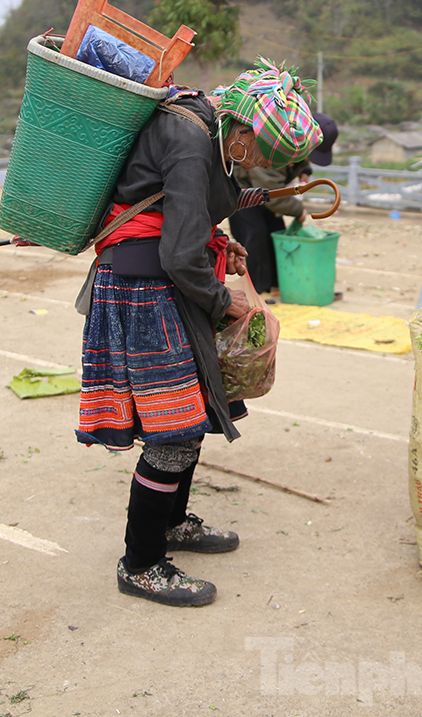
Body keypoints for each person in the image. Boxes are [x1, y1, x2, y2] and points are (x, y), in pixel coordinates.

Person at [77, 58, 320, 608]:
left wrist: (218, 241)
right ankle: (140, 563)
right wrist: (221, 300)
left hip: (163, 281)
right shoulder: (190, 139)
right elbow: (180, 253)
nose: (260, 165)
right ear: (239, 131)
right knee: (174, 430)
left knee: (196, 412)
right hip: (146, 290)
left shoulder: (202, 128)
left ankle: (172, 523)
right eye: (260, 153)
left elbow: (184, 220)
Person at [228, 113, 338, 296]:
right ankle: (257, 291)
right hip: (241, 190)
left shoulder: (296, 135)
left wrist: (303, 170)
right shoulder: (276, 142)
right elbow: (270, 189)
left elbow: (297, 161)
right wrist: (298, 210)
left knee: (275, 230)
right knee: (255, 234)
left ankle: (276, 283)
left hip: (264, 192)